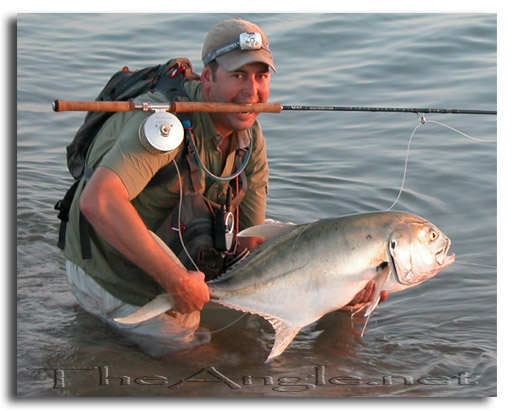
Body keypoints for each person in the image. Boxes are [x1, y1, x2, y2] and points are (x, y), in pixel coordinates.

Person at [61, 18, 386, 355]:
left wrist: (338, 282)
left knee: (340, 297)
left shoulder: (250, 136)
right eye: (237, 76)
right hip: (116, 274)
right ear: (207, 78)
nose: (251, 92)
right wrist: (175, 280)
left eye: (261, 76)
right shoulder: (163, 127)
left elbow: (250, 239)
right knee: (206, 369)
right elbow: (98, 202)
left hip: (190, 267)